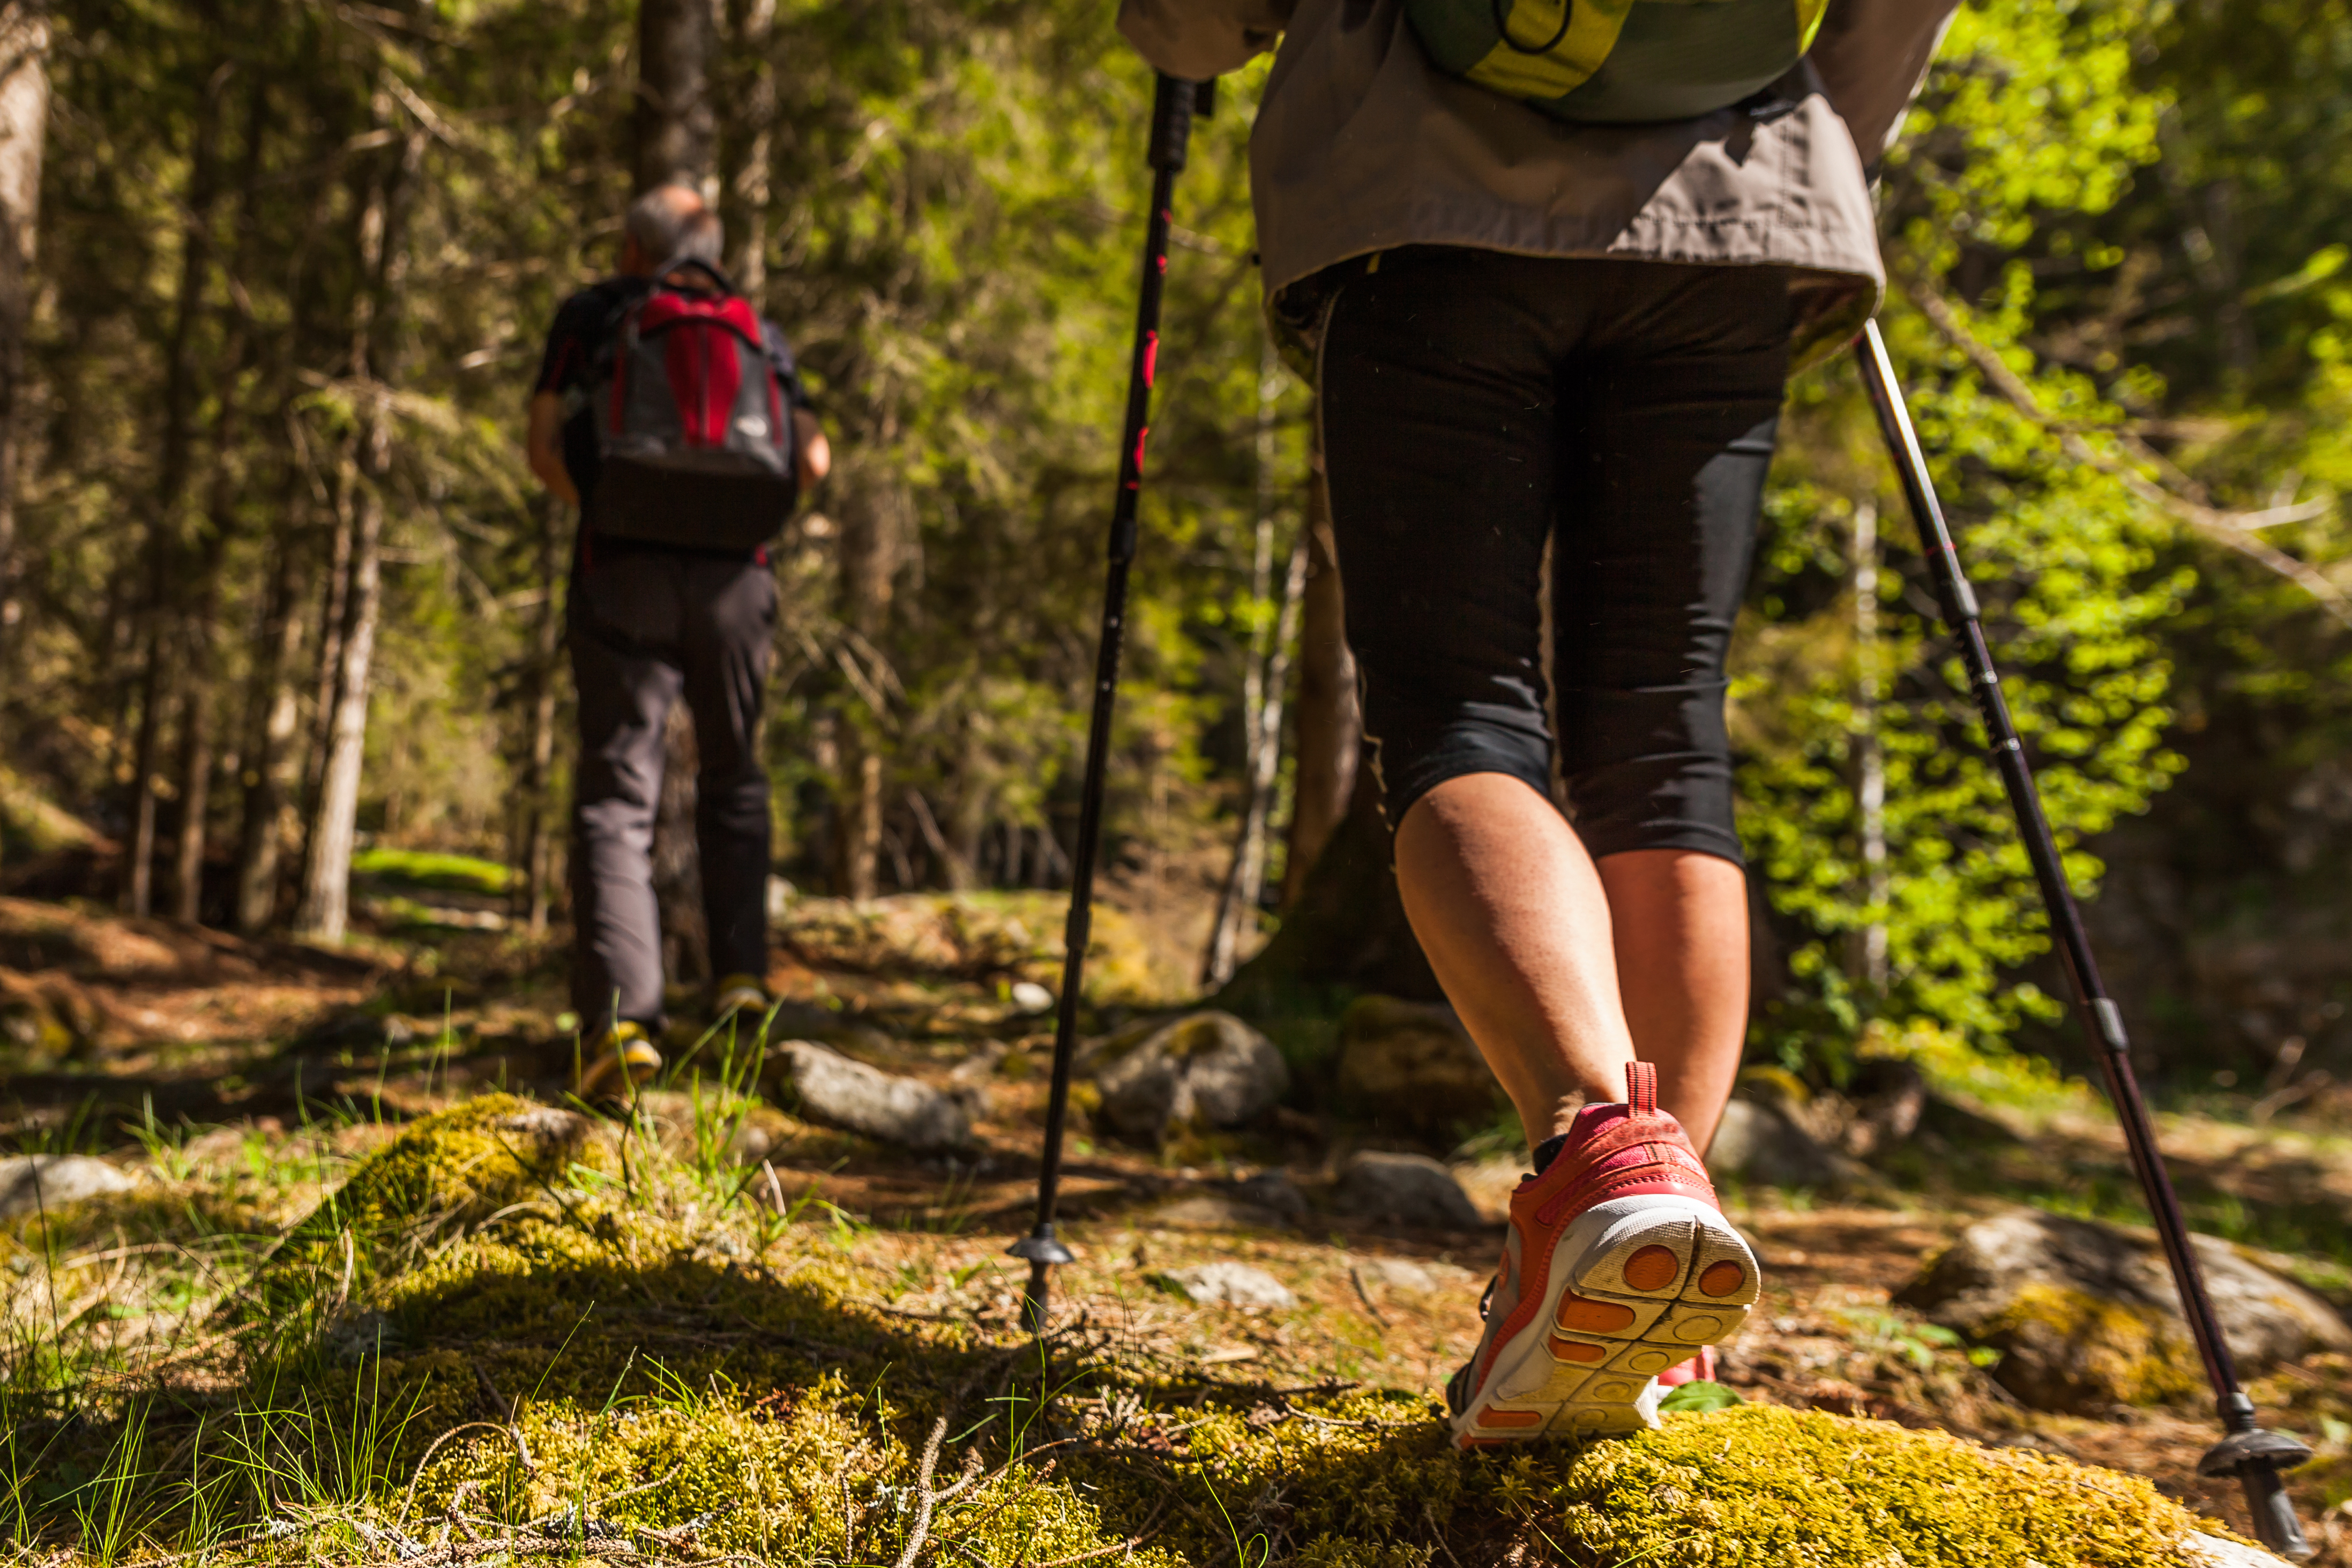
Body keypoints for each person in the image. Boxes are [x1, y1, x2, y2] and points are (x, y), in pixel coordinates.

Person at [1118, 0, 1957, 1444]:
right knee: (1660, 733)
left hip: (1425, 208)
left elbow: (1192, 32)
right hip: (1739, 208)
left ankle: (1599, 1172)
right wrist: (1822, 138)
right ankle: (1653, 1247)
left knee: (1456, 712)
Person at [526, 185, 831, 1099]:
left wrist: (616, 510)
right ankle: (739, 978)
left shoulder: (594, 315)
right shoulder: (755, 329)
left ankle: (620, 1024)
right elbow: (810, 460)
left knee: (619, 789)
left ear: (632, 249)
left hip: (623, 569)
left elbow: (543, 445)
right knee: (734, 771)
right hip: (740, 576)